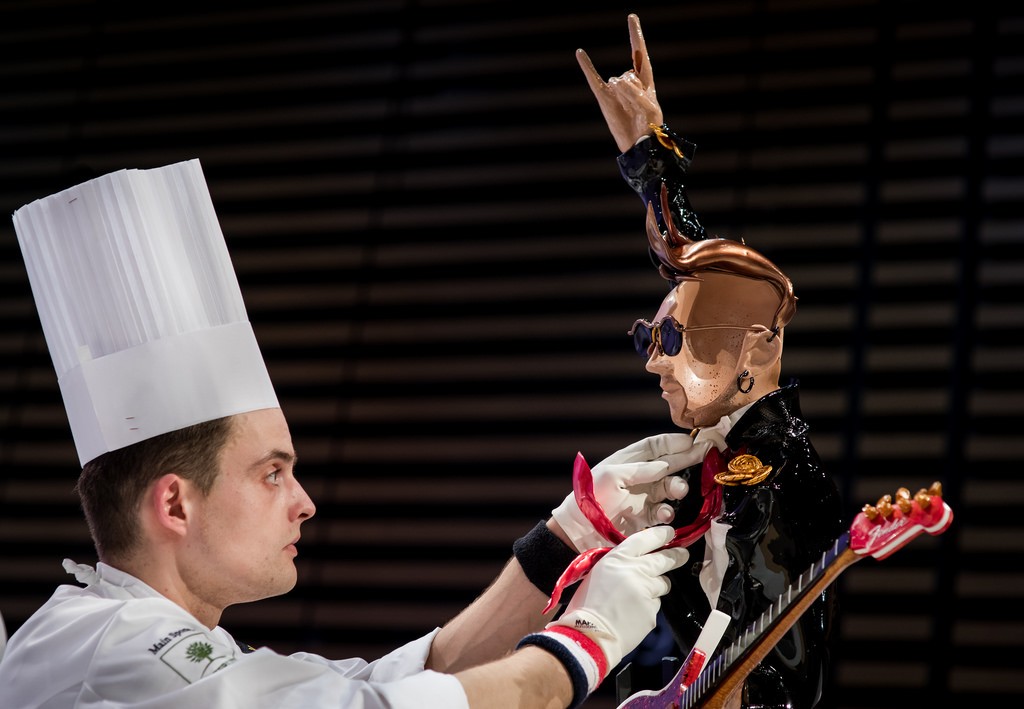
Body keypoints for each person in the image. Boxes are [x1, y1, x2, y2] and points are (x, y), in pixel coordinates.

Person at [0, 160, 697, 709]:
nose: (303, 502)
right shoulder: (123, 653)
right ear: (175, 504)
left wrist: (566, 536)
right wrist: (583, 643)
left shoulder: (163, 644)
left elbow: (401, 681)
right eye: (272, 472)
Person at [574, 14, 845, 709]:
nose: (652, 365)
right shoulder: (709, 459)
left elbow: (777, 672)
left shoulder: (785, 476)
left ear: (754, 347)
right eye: (648, 338)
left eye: (672, 342)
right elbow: (692, 263)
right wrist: (646, 158)